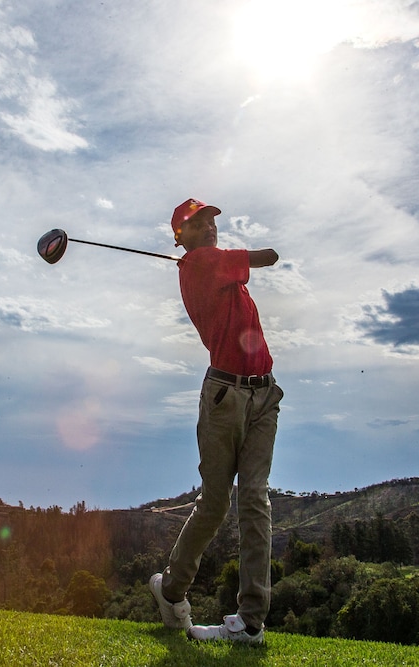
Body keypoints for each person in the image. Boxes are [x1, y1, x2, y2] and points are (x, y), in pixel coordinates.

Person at [149, 198, 283, 644]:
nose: (209, 228)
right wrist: (216, 254)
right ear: (180, 238)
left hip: (264, 394)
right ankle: (172, 590)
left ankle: (250, 623)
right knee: (215, 504)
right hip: (226, 396)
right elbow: (270, 257)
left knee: (255, 501)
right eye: (198, 223)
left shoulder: (213, 267)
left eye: (211, 221)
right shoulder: (201, 265)